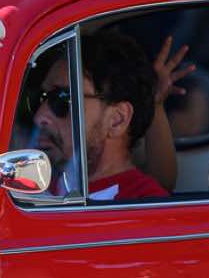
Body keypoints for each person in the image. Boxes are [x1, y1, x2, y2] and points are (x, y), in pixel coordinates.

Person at [30, 27, 169, 203]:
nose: (40, 117)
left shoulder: (146, 209)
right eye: (41, 98)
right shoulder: (28, 190)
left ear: (117, 120)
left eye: (62, 98)